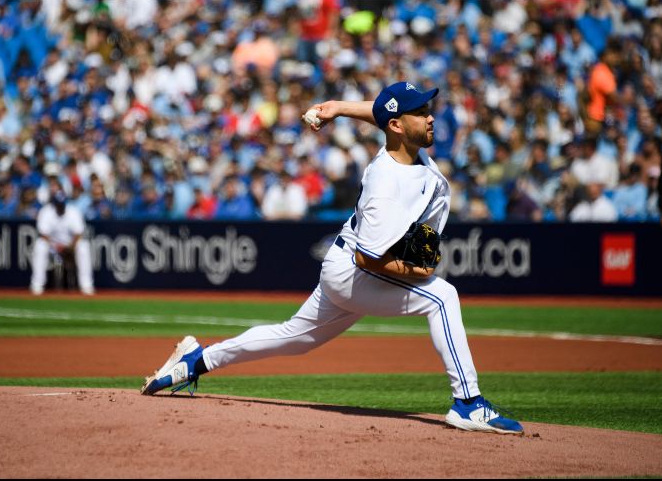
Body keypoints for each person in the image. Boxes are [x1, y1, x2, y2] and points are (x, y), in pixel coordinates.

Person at [140, 82, 524, 435]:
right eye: (420, 112)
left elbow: (377, 112)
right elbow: (368, 259)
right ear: (397, 125)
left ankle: (197, 360)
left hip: (345, 266)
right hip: (355, 271)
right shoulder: (386, 185)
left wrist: (338, 108)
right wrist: (415, 271)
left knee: (293, 337)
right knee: (442, 297)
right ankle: (468, 403)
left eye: (428, 108)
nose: (430, 116)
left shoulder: (403, 146)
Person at [30, 190, 95, 296]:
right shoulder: (46, 211)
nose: (60, 207)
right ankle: (37, 284)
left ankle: (86, 285)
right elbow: (43, 234)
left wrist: (69, 246)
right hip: (52, 245)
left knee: (83, 246)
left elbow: (78, 234)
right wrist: (55, 247)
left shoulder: (73, 211)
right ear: (54, 204)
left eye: (62, 204)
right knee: (40, 245)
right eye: (58, 204)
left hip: (70, 245)